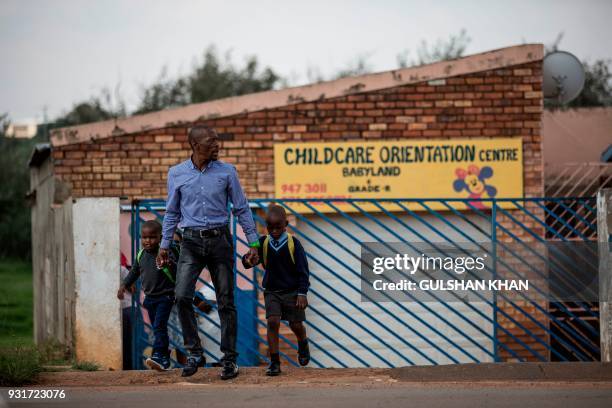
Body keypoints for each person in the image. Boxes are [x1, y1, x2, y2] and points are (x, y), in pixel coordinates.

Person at [157, 125, 260, 379]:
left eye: (217, 141)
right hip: (190, 242)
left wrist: (254, 243)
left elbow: (242, 208)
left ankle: (229, 359)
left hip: (220, 241)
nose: (217, 146)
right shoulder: (176, 174)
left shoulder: (227, 172)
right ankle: (195, 353)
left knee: (226, 300)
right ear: (194, 145)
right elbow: (172, 212)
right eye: (210, 142)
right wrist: (164, 245)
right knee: (181, 296)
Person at [242, 204, 311, 376]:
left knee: (296, 324)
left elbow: (303, 271)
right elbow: (250, 260)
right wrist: (248, 260)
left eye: (278, 227)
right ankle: (274, 362)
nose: (273, 230)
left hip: (292, 291)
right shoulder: (263, 243)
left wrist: (302, 293)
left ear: (286, 224)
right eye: (270, 227)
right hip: (272, 291)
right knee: (273, 322)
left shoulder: (293, 244)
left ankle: (303, 342)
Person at [118, 220, 177, 371]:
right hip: (150, 298)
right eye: (144, 237)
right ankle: (164, 354)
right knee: (157, 328)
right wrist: (124, 286)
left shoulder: (165, 252)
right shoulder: (141, 255)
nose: (147, 241)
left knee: (159, 326)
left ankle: (160, 355)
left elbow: (177, 271)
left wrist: (169, 264)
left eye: (152, 237)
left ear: (160, 238)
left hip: (166, 296)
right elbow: (134, 273)